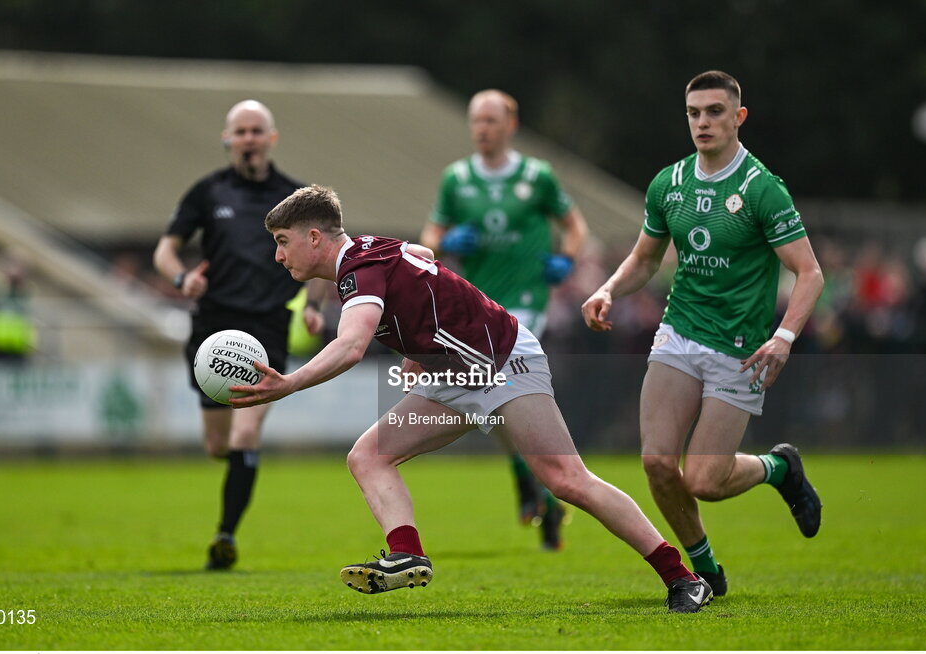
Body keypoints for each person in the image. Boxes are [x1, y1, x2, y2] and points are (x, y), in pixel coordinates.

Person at [230, 185, 713, 613]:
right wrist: (423, 345)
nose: (279, 255)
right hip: (455, 374)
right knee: (368, 457)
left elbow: (351, 347)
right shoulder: (371, 248)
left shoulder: (356, 270)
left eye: (282, 241)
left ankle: (683, 578)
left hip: (502, 363)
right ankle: (408, 554)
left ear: (314, 238)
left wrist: (288, 384)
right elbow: (422, 256)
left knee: (566, 480)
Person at [581, 71, 825, 598]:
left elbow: (810, 273)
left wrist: (783, 336)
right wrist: (608, 290)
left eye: (714, 112)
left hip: (741, 348)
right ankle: (705, 571)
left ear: (738, 117)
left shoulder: (762, 188)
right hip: (681, 331)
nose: (702, 122)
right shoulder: (669, 184)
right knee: (657, 463)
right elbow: (646, 259)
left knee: (704, 482)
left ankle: (779, 468)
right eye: (694, 113)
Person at [153, 100, 325, 571]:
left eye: (257, 130)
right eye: (240, 131)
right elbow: (166, 251)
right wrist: (180, 279)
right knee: (218, 446)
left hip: (267, 326)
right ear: (228, 139)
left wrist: (312, 305)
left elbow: (327, 257)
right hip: (212, 327)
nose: (249, 138)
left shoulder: (296, 198)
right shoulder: (207, 193)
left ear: (272, 138)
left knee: (245, 435)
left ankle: (225, 536)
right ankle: (230, 503)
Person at [419, 90, 590, 550]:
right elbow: (429, 237)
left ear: (510, 125)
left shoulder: (537, 176)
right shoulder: (456, 179)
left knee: (498, 391)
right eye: (476, 120)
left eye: (491, 120)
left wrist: (567, 259)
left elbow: (575, 225)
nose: (482, 128)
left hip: (527, 302)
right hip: (477, 306)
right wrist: (448, 239)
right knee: (494, 404)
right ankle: (536, 483)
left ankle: (536, 484)